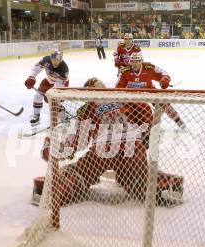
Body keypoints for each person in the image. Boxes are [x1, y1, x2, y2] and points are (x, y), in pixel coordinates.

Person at [31, 77, 183, 207]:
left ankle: (51, 190)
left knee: (80, 173)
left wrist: (54, 147)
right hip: (133, 146)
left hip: (102, 149)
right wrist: (144, 137)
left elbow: (79, 142)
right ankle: (165, 185)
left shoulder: (87, 109)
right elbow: (145, 113)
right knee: (137, 179)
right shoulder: (124, 97)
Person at [116, 52, 186, 129]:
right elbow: (117, 87)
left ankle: (178, 120)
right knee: (124, 106)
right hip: (132, 95)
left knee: (163, 102)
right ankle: (127, 122)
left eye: (137, 61)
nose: (134, 63)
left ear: (141, 61)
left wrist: (165, 80)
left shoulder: (149, 68)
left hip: (149, 90)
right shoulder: (125, 72)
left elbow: (162, 72)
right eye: (132, 61)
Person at [24, 49, 69, 126]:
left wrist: (50, 95)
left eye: (58, 59)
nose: (56, 62)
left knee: (54, 102)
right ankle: (36, 116)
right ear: (51, 57)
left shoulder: (64, 69)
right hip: (49, 80)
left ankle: (63, 116)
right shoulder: (46, 60)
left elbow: (59, 84)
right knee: (37, 96)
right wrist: (31, 77)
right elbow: (36, 68)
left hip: (61, 84)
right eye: (54, 59)